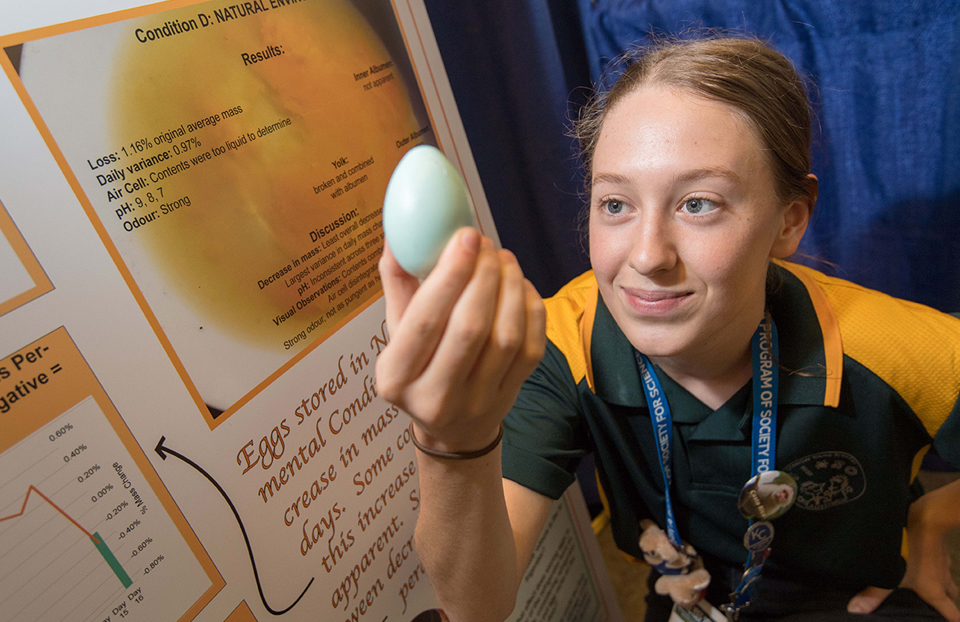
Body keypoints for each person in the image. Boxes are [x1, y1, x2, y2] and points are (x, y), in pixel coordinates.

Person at [375, 35, 960, 622]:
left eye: (698, 203)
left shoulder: (886, 346)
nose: (649, 256)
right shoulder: (563, 342)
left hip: (854, 603)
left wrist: (933, 519)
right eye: (616, 204)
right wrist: (453, 441)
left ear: (789, 221)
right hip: (690, 597)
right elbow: (475, 606)